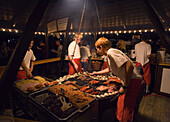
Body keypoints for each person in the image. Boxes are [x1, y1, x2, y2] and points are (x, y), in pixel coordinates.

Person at [89, 37, 142, 122]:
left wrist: (124, 86)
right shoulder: (108, 56)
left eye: (97, 49)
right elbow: (109, 69)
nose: (97, 51)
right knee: (121, 104)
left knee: (126, 107)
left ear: (101, 47)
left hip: (133, 81)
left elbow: (129, 66)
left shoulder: (111, 52)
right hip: (129, 80)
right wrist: (96, 73)